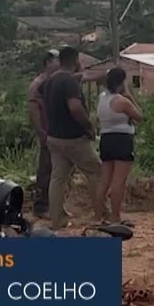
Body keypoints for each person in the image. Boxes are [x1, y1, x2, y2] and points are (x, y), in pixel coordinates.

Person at [42, 46, 107, 229]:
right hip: (74, 138)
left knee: (58, 178)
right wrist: (88, 126)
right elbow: (75, 108)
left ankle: (57, 220)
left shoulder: (50, 81)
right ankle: (100, 214)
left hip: (54, 137)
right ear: (76, 60)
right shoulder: (69, 82)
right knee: (95, 172)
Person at [97, 67, 142, 226]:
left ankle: (99, 215)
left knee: (104, 181)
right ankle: (116, 217)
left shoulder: (102, 98)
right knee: (118, 181)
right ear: (122, 82)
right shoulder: (122, 101)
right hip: (122, 140)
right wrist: (129, 94)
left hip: (105, 139)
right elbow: (139, 116)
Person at [28, 50, 58, 218]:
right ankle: (41, 206)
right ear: (48, 62)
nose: (59, 63)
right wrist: (40, 131)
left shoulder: (53, 82)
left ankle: (54, 204)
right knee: (46, 169)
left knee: (57, 170)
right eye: (56, 60)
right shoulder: (38, 83)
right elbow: (33, 108)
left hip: (55, 133)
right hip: (46, 132)